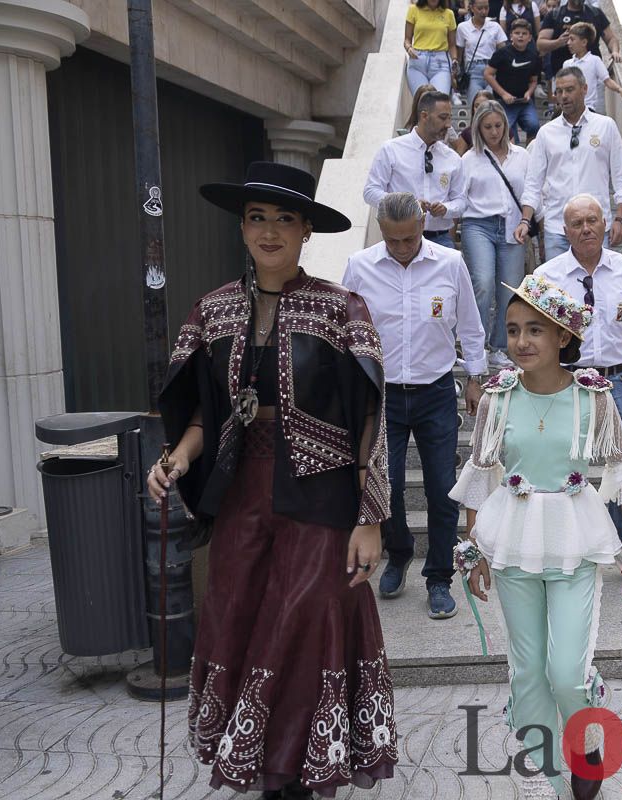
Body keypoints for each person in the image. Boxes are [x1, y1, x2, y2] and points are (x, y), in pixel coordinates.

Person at [151, 162, 397, 799]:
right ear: (241, 225)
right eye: (257, 217)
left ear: (306, 229)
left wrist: (370, 517)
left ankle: (295, 774)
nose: (269, 231)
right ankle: (265, 769)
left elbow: (372, 413)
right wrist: (177, 456)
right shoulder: (212, 310)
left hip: (322, 491)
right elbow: (202, 409)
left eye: (285, 218)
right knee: (238, 615)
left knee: (304, 620)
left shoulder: (343, 308)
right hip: (241, 490)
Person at [451, 274, 622, 800]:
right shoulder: (496, 398)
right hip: (512, 541)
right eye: (513, 330)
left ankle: (585, 747)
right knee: (529, 668)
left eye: (535, 330)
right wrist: (475, 553)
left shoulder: (595, 399)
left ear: (564, 336)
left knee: (567, 669)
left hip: (575, 541)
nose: (522, 342)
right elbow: (479, 477)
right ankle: (550, 769)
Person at [342, 192, 487, 620]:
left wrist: (475, 377)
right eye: (393, 241)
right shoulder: (360, 266)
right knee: (387, 486)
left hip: (436, 391)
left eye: (409, 239)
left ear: (423, 226)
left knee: (443, 489)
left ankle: (439, 577)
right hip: (382, 395)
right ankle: (399, 552)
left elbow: (472, 325)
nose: (402, 248)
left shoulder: (449, 263)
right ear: (382, 232)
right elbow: (346, 328)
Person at [535, 194, 622, 550]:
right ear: (565, 231)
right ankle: (571, 542)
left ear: (605, 224)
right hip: (567, 383)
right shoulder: (547, 277)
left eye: (592, 221)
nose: (586, 229)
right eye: (577, 223)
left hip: (618, 380)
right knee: (566, 467)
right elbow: (537, 337)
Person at [515, 66, 622, 260]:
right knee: (557, 290)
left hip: (595, 228)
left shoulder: (606, 126)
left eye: (569, 89)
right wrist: (525, 220)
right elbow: (533, 183)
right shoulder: (546, 133)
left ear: (584, 89)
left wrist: (620, 218)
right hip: (557, 229)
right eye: (559, 91)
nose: (563, 96)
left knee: (595, 288)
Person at [459, 101, 531, 369]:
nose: (493, 131)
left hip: (513, 226)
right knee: (483, 282)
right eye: (487, 126)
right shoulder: (469, 159)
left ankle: (499, 347)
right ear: (478, 127)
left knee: (510, 290)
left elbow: (531, 192)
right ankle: (475, 348)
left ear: (506, 124)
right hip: (478, 224)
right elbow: (459, 197)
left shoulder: (522, 156)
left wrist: (527, 220)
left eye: (498, 125)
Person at [364, 90, 464, 248]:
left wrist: (446, 209)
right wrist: (404, 205)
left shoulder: (452, 158)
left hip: (440, 240)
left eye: (450, 118)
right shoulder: (391, 149)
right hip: (399, 241)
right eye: (443, 118)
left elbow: (461, 201)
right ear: (424, 116)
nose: (448, 125)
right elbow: (370, 192)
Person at [484, 18, 542, 143]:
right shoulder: (502, 53)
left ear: (530, 37)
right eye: (517, 33)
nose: (520, 36)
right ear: (511, 36)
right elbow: (488, 74)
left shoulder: (534, 56)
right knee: (508, 132)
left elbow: (534, 80)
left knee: (534, 126)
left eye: (524, 33)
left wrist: (529, 93)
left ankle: (530, 154)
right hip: (505, 102)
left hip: (525, 102)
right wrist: (503, 94)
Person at [561, 22, 622, 114]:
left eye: (572, 39)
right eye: (568, 39)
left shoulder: (594, 61)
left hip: (588, 109)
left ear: (584, 42)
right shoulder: (567, 64)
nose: (568, 43)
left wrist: (620, 89)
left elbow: (607, 80)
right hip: (570, 109)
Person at [536, 0, 621, 79]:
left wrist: (615, 51)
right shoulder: (555, 15)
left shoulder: (596, 14)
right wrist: (558, 42)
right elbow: (540, 44)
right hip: (563, 76)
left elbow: (611, 38)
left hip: (592, 76)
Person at [455, 0, 508, 108]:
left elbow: (503, 50)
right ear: (472, 8)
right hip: (473, 70)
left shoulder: (495, 26)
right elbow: (459, 54)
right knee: (475, 108)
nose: (484, 11)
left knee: (492, 108)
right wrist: (456, 73)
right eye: (480, 8)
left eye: (486, 8)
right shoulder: (462, 27)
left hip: (492, 70)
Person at [405, 0, 459, 95]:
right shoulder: (413, 10)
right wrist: (409, 48)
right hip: (417, 61)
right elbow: (407, 39)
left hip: (440, 63)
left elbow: (452, 45)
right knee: (421, 101)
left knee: (439, 101)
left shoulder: (449, 14)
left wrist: (454, 59)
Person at [454, 89, 497, 153]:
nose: (479, 109)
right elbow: (458, 160)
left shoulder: (505, 131)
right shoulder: (466, 133)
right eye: (476, 106)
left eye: (484, 106)